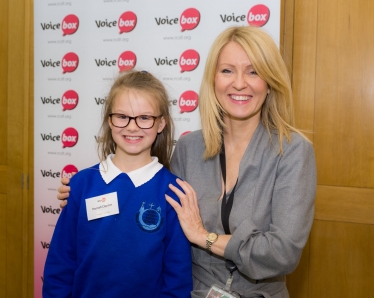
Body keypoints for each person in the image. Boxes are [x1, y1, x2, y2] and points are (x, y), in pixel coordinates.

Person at [58, 26, 316, 298]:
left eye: (254, 71)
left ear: (270, 81)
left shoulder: (293, 151)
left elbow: (282, 253)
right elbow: (151, 209)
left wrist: (204, 236)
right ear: (213, 79)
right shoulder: (189, 148)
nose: (240, 83)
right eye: (227, 70)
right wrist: (84, 192)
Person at [44, 70, 193, 298]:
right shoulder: (81, 185)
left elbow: (177, 279)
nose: (132, 127)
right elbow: (60, 264)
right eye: (122, 116)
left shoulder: (173, 192)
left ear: (161, 123)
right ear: (109, 120)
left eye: (144, 118)